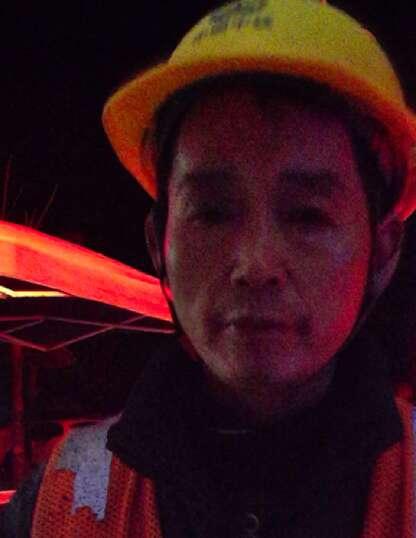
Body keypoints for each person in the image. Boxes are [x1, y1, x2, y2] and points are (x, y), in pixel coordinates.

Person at [3, 0, 416, 536]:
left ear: (382, 252)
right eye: (213, 213)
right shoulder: (60, 505)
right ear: (158, 245)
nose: (256, 266)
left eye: (307, 215)